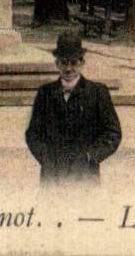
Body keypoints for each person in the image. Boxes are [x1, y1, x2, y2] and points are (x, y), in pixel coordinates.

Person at [25, 30, 122, 185]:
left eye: (74, 62)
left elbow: (113, 133)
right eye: (64, 62)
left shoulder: (97, 92)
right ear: (56, 63)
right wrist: (46, 157)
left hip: (85, 176)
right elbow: (33, 133)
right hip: (53, 176)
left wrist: (91, 156)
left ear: (82, 63)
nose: (69, 69)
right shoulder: (45, 93)